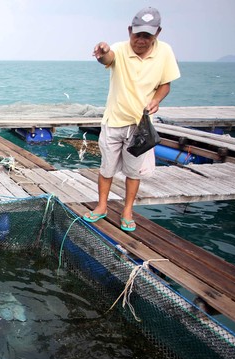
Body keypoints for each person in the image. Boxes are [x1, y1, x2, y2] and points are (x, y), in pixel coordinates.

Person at [83, 6, 180, 232]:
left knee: (134, 172)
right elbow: (107, 58)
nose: (141, 40)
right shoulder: (119, 49)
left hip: (141, 127)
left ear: (157, 33)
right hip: (114, 121)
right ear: (129, 31)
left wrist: (157, 99)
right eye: (137, 34)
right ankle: (101, 206)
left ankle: (127, 211)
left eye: (147, 35)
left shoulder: (165, 52)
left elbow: (166, 84)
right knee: (106, 168)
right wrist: (102, 50)